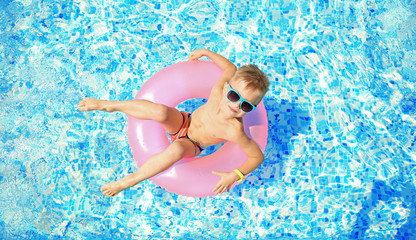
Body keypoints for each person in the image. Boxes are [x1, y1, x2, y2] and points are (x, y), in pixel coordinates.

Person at [78, 49, 269, 196]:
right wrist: (206, 53)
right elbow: (230, 68)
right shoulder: (219, 89)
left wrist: (235, 175)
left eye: (246, 106)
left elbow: (256, 157)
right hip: (185, 122)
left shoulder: (234, 130)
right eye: (234, 95)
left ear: (252, 108)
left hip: (193, 145)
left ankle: (129, 181)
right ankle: (107, 105)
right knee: (160, 111)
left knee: (177, 149)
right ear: (228, 86)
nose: (236, 105)